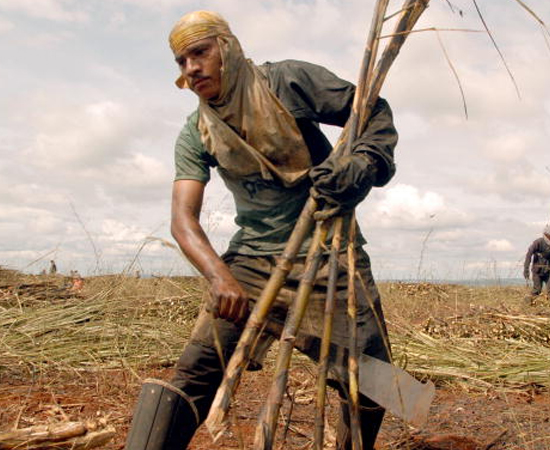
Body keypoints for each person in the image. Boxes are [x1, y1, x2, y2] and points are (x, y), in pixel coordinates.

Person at [124, 10, 398, 450]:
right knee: (193, 374)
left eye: (199, 52)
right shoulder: (197, 131)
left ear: (226, 49)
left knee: (372, 382)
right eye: (181, 61)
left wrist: (361, 164)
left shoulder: (287, 82)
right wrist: (220, 277)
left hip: (330, 252)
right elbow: (183, 220)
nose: (191, 68)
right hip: (252, 264)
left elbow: (372, 111)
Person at [523, 224, 550, 304]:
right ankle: (528, 303)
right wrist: (526, 269)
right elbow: (529, 255)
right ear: (546, 234)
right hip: (537, 271)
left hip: (548, 271)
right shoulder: (538, 242)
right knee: (537, 290)